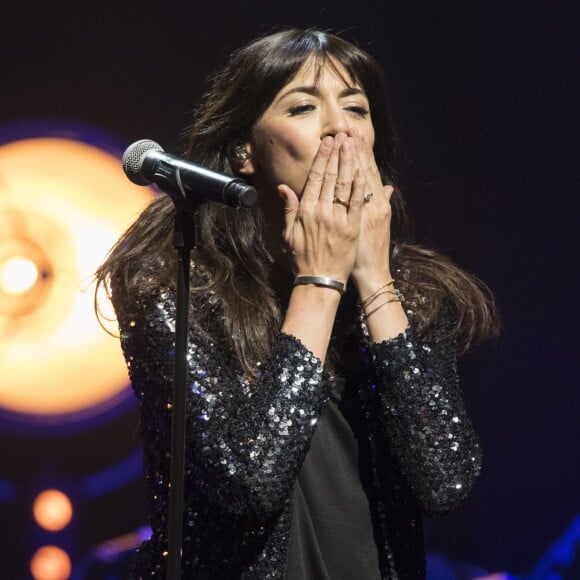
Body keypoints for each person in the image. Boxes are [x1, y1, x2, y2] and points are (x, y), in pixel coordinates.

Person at [95, 28, 498, 580]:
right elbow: (247, 480)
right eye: (305, 107)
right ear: (245, 150)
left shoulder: (415, 289)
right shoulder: (176, 279)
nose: (340, 127)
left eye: (356, 108)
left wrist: (374, 277)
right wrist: (320, 279)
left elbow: (445, 479)